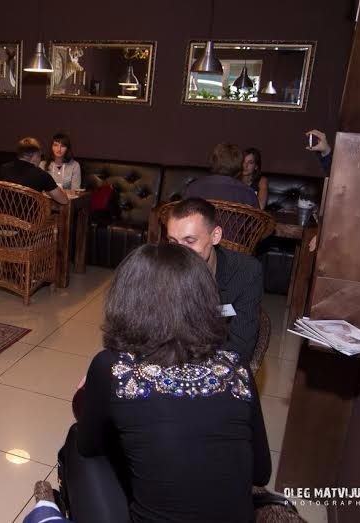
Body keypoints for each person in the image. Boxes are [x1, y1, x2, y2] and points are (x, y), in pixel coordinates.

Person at [59, 243, 271, 523]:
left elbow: (90, 446)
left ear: (127, 301)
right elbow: (260, 473)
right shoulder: (236, 367)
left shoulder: (113, 368)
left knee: (76, 440)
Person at [166, 198, 263, 364]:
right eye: (173, 242)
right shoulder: (161, 268)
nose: (180, 253)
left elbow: (241, 348)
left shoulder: (246, 272)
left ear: (215, 236)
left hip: (215, 362)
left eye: (190, 241)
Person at [184, 143, 259, 207]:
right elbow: (258, 219)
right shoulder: (248, 194)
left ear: (212, 162)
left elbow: (183, 216)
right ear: (239, 166)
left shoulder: (193, 188)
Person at [0, 137, 69, 205]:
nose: (40, 159)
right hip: (29, 213)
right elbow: (64, 200)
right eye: (40, 156)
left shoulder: (3, 168)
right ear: (35, 155)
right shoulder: (42, 175)